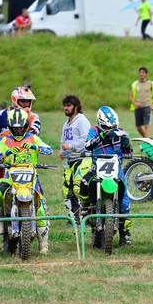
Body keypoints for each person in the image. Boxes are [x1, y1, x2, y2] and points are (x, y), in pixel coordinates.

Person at [0, 109, 53, 254]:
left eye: (20, 127)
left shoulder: (32, 138)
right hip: (10, 175)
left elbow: (49, 150)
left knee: (41, 207)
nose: (17, 130)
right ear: (10, 126)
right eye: (15, 127)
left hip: (31, 177)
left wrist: (36, 147)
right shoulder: (5, 140)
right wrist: (6, 153)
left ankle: (43, 244)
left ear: (26, 126)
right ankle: (1, 223)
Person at [79, 107, 133, 247]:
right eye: (106, 127)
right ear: (100, 123)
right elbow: (87, 145)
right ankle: (85, 207)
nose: (110, 129)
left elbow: (129, 151)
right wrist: (101, 137)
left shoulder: (120, 132)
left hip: (116, 167)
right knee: (84, 181)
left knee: (125, 200)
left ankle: (125, 234)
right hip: (98, 165)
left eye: (113, 126)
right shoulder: (94, 130)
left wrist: (126, 143)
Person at [60, 95, 91, 224]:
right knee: (68, 190)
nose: (66, 108)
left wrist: (71, 147)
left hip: (82, 158)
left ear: (76, 107)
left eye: (69, 105)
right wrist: (62, 152)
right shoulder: (66, 124)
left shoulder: (81, 121)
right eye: (65, 105)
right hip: (70, 161)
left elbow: (86, 140)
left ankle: (88, 215)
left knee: (79, 187)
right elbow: (63, 141)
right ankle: (74, 217)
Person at [129, 66, 153, 137]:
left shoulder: (151, 83)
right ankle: (145, 138)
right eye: (140, 72)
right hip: (138, 107)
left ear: (146, 74)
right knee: (138, 127)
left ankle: (146, 141)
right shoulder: (135, 84)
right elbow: (130, 96)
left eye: (143, 72)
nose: (141, 74)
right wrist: (135, 103)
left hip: (147, 106)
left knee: (146, 125)